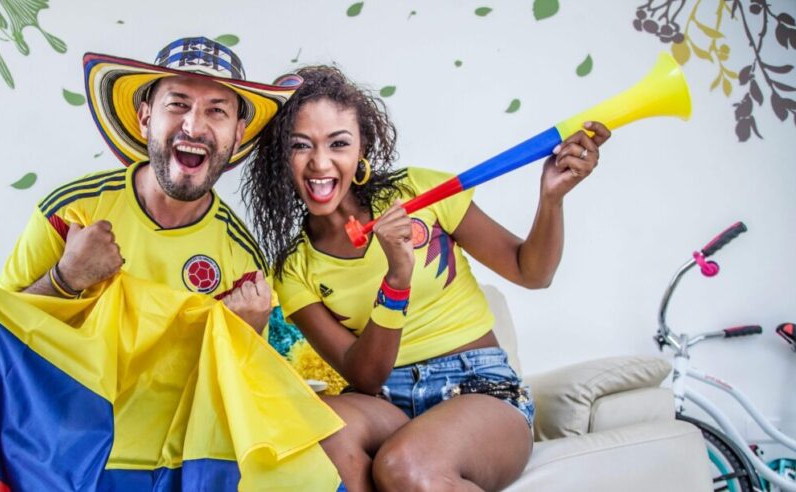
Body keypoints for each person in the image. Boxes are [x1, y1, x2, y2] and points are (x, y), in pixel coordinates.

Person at [242, 65, 612, 491]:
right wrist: (396, 280)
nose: (320, 163)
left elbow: (532, 272)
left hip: (480, 390)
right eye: (300, 145)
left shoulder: (421, 192)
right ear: (280, 157)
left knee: (405, 467)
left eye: (338, 143)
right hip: (384, 400)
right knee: (318, 429)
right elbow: (366, 376)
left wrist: (551, 198)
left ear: (362, 148)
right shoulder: (293, 268)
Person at [0, 37, 300, 333]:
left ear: (237, 135)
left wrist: (243, 337)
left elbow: (236, 366)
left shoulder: (245, 268)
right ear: (145, 118)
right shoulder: (69, 212)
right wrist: (64, 279)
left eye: (216, 110)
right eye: (178, 104)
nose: (194, 127)